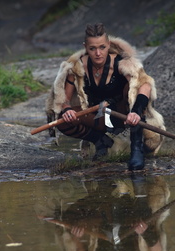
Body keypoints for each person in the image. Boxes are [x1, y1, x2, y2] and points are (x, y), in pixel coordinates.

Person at [46, 23, 166, 171]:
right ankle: (100, 141)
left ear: (108, 45)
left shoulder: (122, 63)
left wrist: (136, 110)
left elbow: (145, 86)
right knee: (62, 122)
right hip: (98, 115)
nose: (98, 53)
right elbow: (64, 99)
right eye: (92, 48)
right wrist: (67, 109)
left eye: (102, 47)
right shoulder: (77, 68)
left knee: (134, 89)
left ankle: (136, 148)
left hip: (125, 115)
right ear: (85, 47)